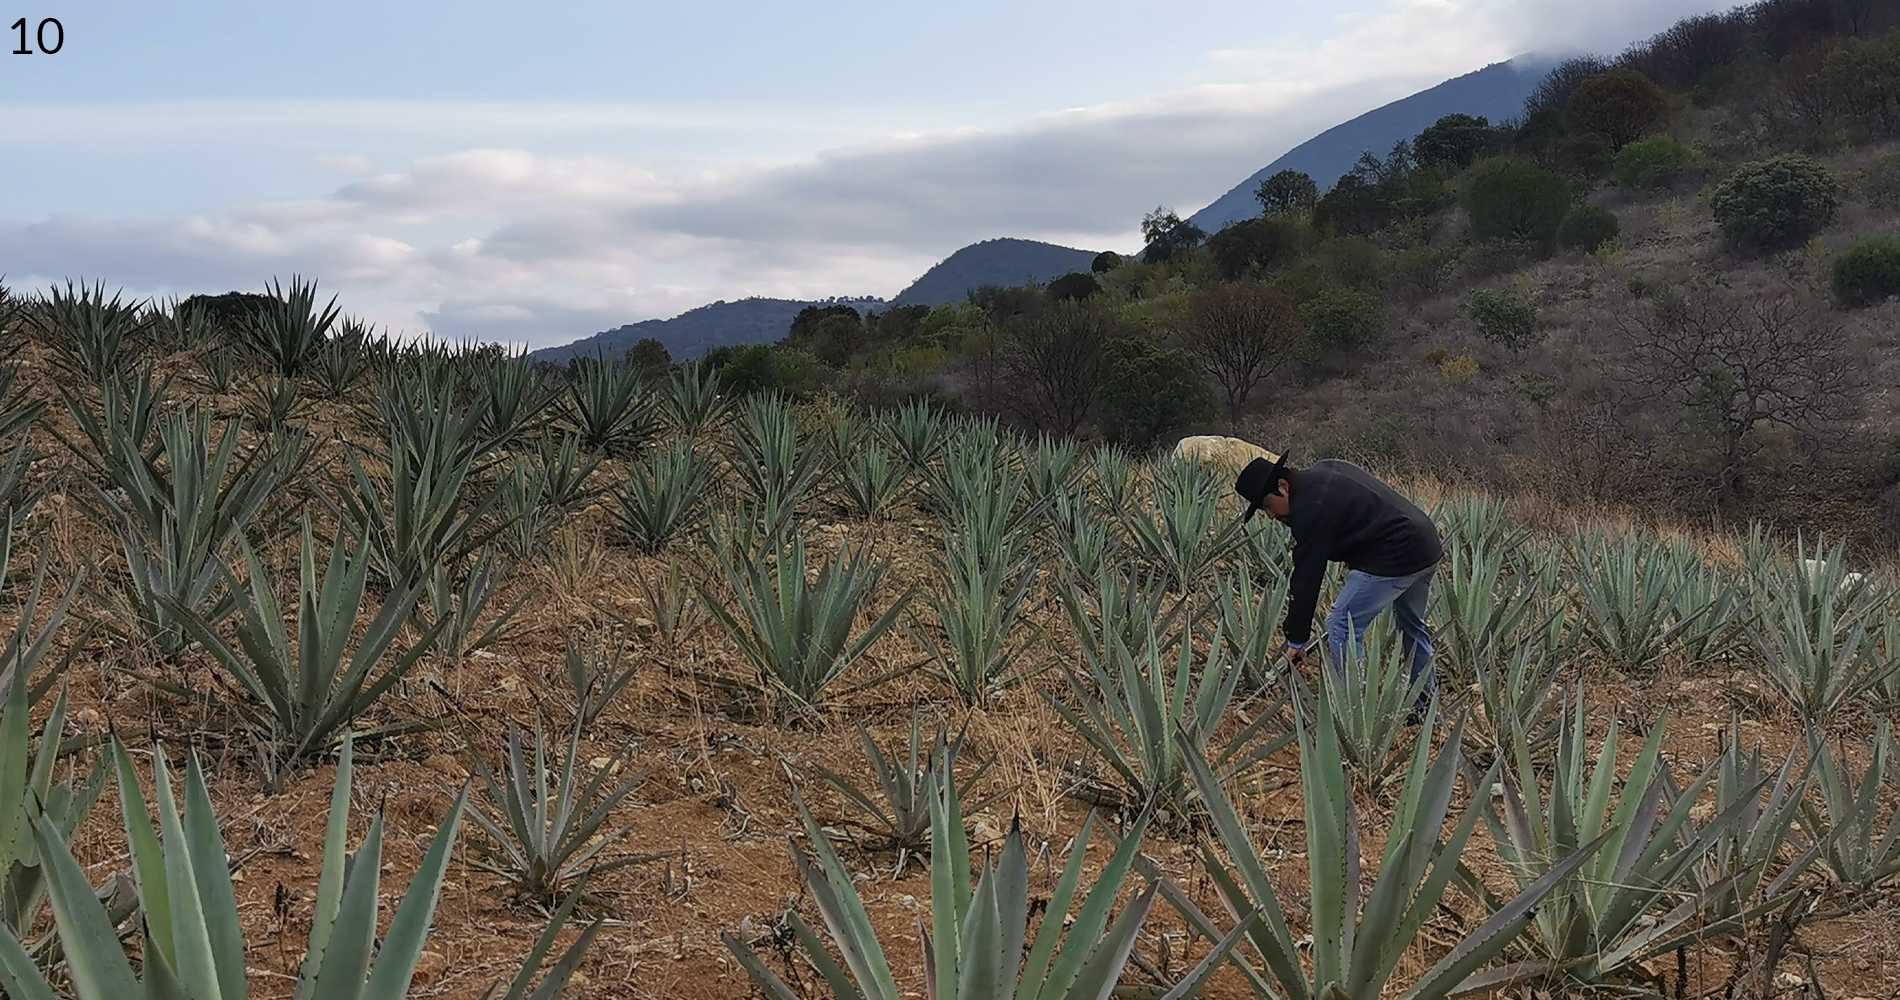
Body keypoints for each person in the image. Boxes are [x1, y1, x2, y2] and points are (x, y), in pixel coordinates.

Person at [1233, 452, 1442, 717]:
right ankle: (1426, 703)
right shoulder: (1326, 469)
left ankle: (1354, 715)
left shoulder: (1312, 506)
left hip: (1396, 555)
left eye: (1266, 506)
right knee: (1411, 624)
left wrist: (1297, 639)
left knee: (1342, 623)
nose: (1270, 516)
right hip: (1425, 543)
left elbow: (1308, 574)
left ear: (1283, 487)